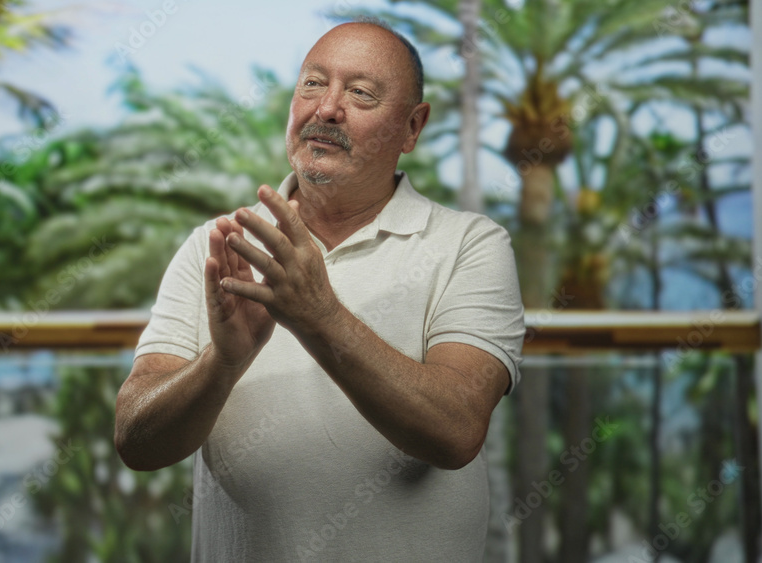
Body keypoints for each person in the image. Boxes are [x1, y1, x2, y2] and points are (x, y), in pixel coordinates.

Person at [115, 19, 525, 561]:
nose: (327, 109)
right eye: (312, 83)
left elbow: (456, 431)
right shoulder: (216, 246)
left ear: (411, 127)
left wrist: (319, 316)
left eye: (360, 93)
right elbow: (136, 441)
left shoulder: (470, 244)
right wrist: (224, 361)